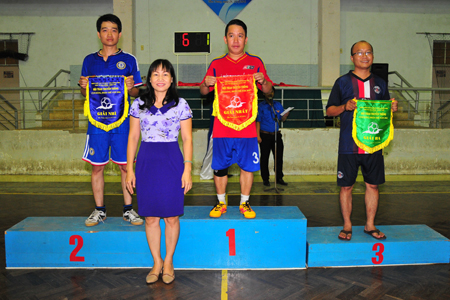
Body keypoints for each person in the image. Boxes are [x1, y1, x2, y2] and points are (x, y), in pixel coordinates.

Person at [126, 59, 193, 284]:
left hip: (172, 160)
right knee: (151, 217)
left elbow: (187, 138)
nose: (161, 78)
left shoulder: (181, 104)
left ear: (172, 79)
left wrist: (188, 169)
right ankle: (156, 262)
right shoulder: (138, 104)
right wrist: (129, 170)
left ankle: (169, 261)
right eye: (156, 74)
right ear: (149, 79)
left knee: (172, 216)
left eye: (165, 74)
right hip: (146, 161)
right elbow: (133, 137)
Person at [200, 19, 273, 219]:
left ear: (246, 39)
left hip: (247, 126)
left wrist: (263, 81)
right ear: (225, 39)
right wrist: (206, 83)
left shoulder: (256, 62)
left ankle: (244, 203)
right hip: (222, 126)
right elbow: (203, 91)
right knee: (220, 166)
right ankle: (221, 203)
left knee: (247, 166)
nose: (236, 40)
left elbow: (269, 91)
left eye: (240, 36)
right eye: (231, 35)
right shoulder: (216, 64)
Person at [326, 40, 398, 241]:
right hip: (349, 146)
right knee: (346, 186)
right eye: (359, 52)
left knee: (373, 186)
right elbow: (329, 111)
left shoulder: (380, 84)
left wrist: (392, 109)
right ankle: (347, 225)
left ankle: (370, 225)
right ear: (352, 58)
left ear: (373, 56)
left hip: (374, 145)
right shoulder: (342, 82)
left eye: (368, 52)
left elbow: (385, 112)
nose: (364, 56)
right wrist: (345, 107)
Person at [79, 14, 143, 227]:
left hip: (122, 123)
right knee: (97, 167)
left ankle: (128, 209)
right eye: (105, 30)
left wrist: (130, 86)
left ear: (120, 34)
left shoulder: (130, 60)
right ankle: (99, 210)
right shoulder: (89, 61)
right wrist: (82, 87)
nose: (109, 34)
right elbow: (86, 94)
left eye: (114, 30)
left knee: (126, 167)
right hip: (97, 124)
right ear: (98, 34)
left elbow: (136, 93)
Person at [256, 88, 289, 187]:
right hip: (265, 135)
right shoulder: (261, 106)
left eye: (272, 92)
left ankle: (279, 177)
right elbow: (258, 121)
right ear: (263, 93)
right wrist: (257, 136)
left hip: (276, 134)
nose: (270, 94)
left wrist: (285, 115)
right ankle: (265, 179)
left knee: (278, 157)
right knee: (265, 157)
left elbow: (281, 119)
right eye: (268, 92)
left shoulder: (277, 105)